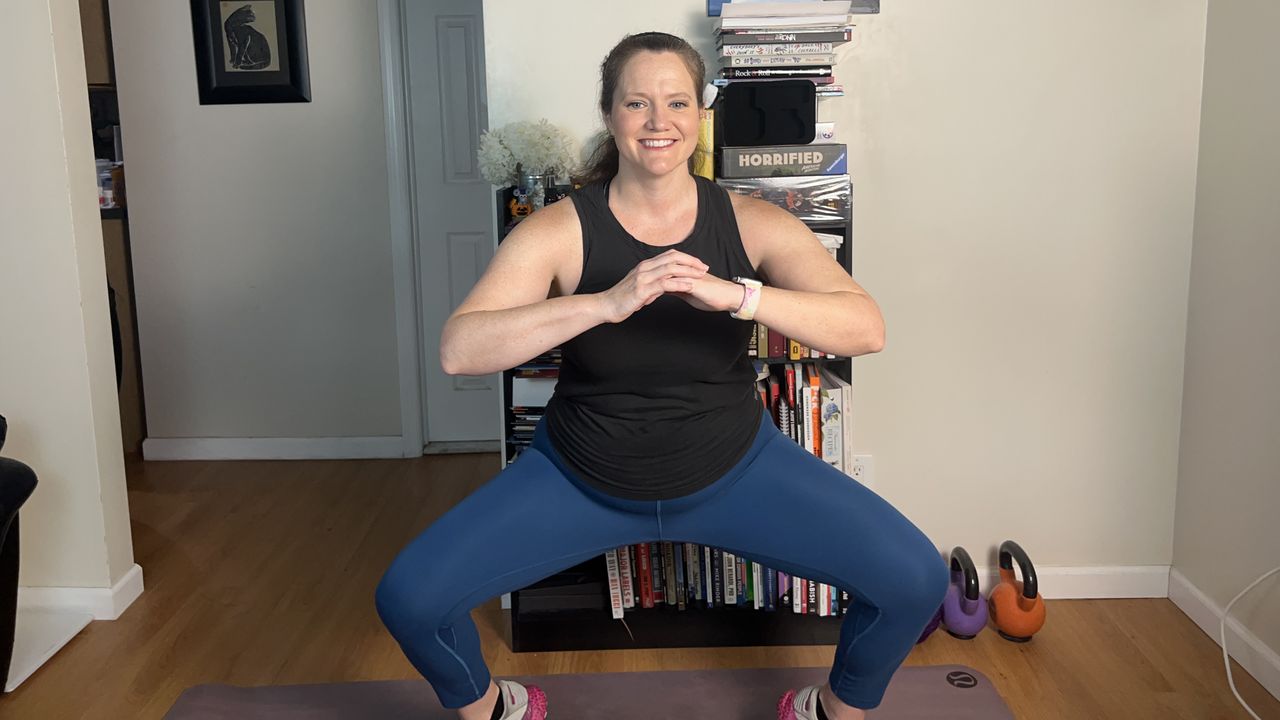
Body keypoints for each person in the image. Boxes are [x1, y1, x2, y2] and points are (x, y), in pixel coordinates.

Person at [375, 31, 948, 720]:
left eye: (676, 102)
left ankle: (830, 712)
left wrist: (739, 295)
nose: (658, 121)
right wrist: (606, 303)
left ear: (700, 115)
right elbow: (460, 350)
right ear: (610, 114)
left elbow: (866, 328)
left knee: (915, 579)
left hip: (734, 470)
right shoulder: (557, 230)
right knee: (408, 598)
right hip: (580, 477)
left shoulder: (751, 221)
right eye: (637, 102)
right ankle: (497, 709)